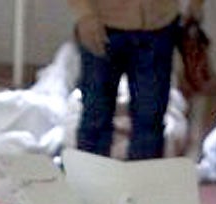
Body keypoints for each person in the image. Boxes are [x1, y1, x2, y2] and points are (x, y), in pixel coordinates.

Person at [69, 0, 195, 162]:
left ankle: (142, 185)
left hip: (158, 26)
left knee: (150, 120)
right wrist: (84, 14)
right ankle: (89, 184)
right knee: (95, 117)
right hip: (101, 23)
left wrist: (195, 5)